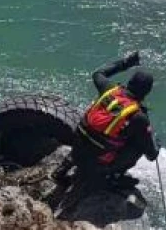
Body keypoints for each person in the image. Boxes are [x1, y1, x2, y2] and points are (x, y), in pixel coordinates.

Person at [65, 51, 159, 189]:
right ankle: (111, 178)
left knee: (94, 133)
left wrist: (125, 63)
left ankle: (66, 164)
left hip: (76, 152)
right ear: (146, 92)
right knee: (138, 146)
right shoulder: (138, 117)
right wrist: (156, 145)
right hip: (95, 166)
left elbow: (98, 73)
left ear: (130, 82)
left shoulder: (109, 90)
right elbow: (151, 155)